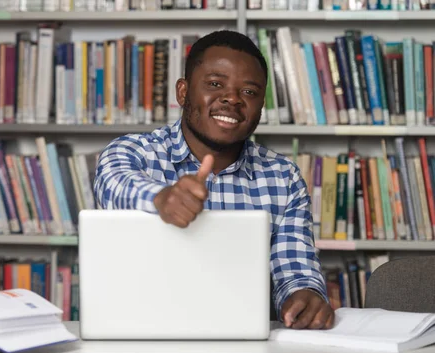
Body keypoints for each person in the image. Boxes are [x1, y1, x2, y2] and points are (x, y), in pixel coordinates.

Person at [93, 30, 334, 330]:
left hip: (243, 346)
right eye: (215, 84)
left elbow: (295, 271)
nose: (232, 98)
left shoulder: (284, 177)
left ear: (261, 107)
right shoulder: (133, 152)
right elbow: (113, 183)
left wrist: (304, 296)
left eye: (249, 92)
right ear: (183, 92)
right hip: (142, 337)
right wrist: (162, 199)